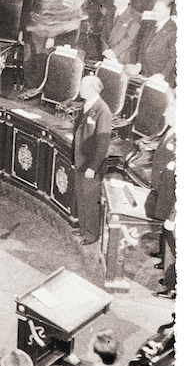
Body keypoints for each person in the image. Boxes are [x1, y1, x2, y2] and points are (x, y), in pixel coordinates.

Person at [72, 75, 112, 246]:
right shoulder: (86, 105)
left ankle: (91, 235)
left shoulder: (103, 110)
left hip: (90, 166)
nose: (80, 88)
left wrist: (93, 167)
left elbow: (102, 144)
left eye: (83, 86)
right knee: (82, 198)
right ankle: (83, 228)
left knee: (90, 201)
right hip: (81, 162)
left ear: (94, 88)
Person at [146, 99, 176, 298]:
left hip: (173, 201)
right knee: (168, 239)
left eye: (169, 112)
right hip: (165, 192)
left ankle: (172, 287)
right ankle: (167, 271)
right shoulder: (171, 132)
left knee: (174, 245)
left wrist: (173, 215)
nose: (164, 115)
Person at [127, 0, 176, 87]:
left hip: (160, 78)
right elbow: (143, 47)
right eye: (154, 10)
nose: (155, 13)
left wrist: (163, 75)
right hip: (145, 74)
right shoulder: (151, 25)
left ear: (168, 11)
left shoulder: (174, 29)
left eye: (159, 11)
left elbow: (174, 57)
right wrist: (139, 64)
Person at [100, 0, 142, 66]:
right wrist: (106, 50)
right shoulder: (109, 13)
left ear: (127, 1)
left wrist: (114, 52)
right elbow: (103, 34)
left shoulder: (135, 16)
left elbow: (129, 39)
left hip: (123, 58)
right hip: (107, 55)